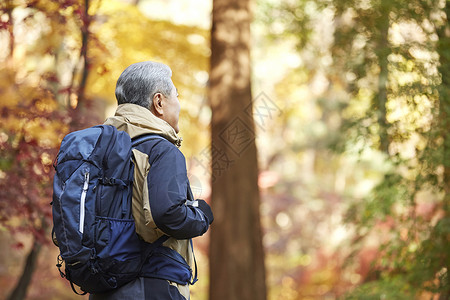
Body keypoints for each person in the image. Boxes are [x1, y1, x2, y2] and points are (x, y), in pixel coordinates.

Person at [89, 61, 214, 300]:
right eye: (176, 96)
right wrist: (201, 216)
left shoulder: (102, 150)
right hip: (153, 284)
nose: (178, 104)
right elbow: (168, 214)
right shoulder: (161, 150)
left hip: (104, 286)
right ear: (158, 102)